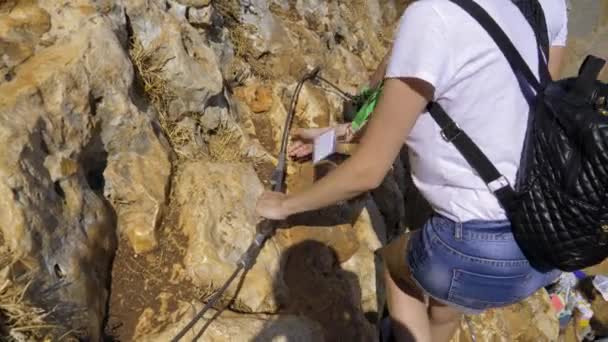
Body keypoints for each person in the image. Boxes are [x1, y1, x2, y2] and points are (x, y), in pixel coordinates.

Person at [257, 0, 569, 341]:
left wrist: (285, 205)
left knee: (397, 268)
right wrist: (333, 137)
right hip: (542, 243)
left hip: (476, 247)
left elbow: (369, 171)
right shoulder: (517, 14)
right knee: (448, 296)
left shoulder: (433, 16)